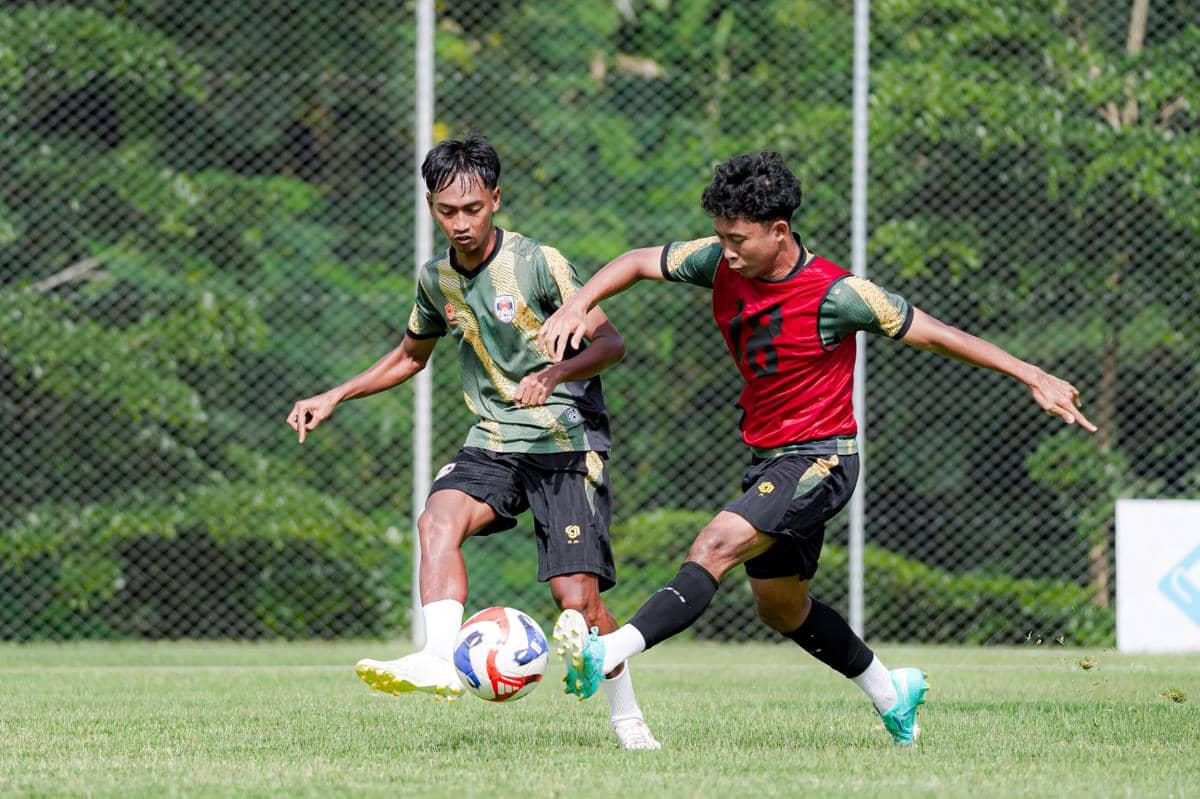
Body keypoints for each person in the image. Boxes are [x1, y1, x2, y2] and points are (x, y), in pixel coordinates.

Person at [537, 151, 1096, 747]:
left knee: (715, 545)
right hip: (770, 460)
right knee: (780, 609)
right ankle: (891, 690)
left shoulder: (840, 294)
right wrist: (578, 303)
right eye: (721, 236)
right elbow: (638, 261)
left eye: (738, 239)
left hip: (822, 459)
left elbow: (939, 335)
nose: (726, 251)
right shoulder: (720, 262)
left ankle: (609, 651)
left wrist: (1031, 373)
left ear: (779, 232)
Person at [286, 135, 660, 750]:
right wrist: (336, 394)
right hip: (493, 437)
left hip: (565, 440)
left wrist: (554, 372)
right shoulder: (437, 282)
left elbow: (611, 343)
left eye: (472, 209)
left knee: (580, 606)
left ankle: (628, 721)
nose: (459, 224)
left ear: (495, 199)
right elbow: (411, 356)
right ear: (431, 206)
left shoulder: (538, 263)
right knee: (436, 520)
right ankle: (438, 655)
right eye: (446, 211)